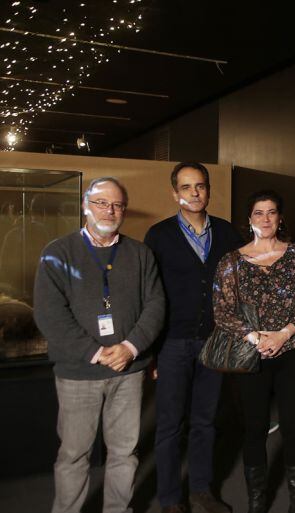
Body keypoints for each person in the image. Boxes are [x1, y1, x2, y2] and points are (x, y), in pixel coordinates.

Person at [33, 177, 165, 513]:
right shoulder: (57, 253)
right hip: (79, 373)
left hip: (128, 371)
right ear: (84, 206)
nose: (110, 210)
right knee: (74, 455)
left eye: (118, 204)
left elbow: (155, 306)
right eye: (101, 202)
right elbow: (50, 315)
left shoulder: (140, 254)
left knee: (124, 453)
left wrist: (130, 348)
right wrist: (96, 352)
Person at [143, 162, 243, 513]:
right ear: (175, 193)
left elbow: (252, 273)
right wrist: (151, 352)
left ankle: (202, 490)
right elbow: (150, 295)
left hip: (213, 342)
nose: (195, 193)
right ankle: (171, 498)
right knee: (170, 424)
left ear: (208, 190)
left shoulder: (228, 233)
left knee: (205, 421)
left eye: (200, 186)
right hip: (172, 343)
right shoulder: (159, 235)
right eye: (186, 187)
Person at [212, 190, 295, 513]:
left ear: (279, 217)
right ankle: (258, 499)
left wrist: (283, 335)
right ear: (249, 219)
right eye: (259, 213)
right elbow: (222, 311)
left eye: (272, 212)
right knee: (255, 428)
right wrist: (256, 337)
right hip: (251, 355)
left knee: (293, 425)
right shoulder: (231, 262)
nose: (266, 218)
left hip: (290, 353)